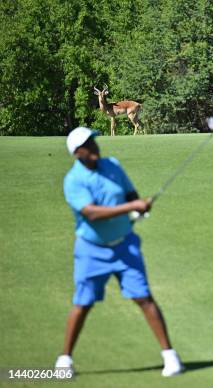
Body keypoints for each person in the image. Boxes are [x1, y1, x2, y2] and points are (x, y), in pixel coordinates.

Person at [55, 127, 183, 377]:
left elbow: (130, 193)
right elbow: (90, 212)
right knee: (83, 303)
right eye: (88, 145)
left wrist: (139, 208)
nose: (95, 147)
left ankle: (171, 357)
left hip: (125, 245)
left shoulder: (112, 165)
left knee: (144, 298)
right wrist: (131, 207)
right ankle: (65, 359)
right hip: (91, 250)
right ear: (77, 153)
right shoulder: (74, 180)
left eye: (94, 142)